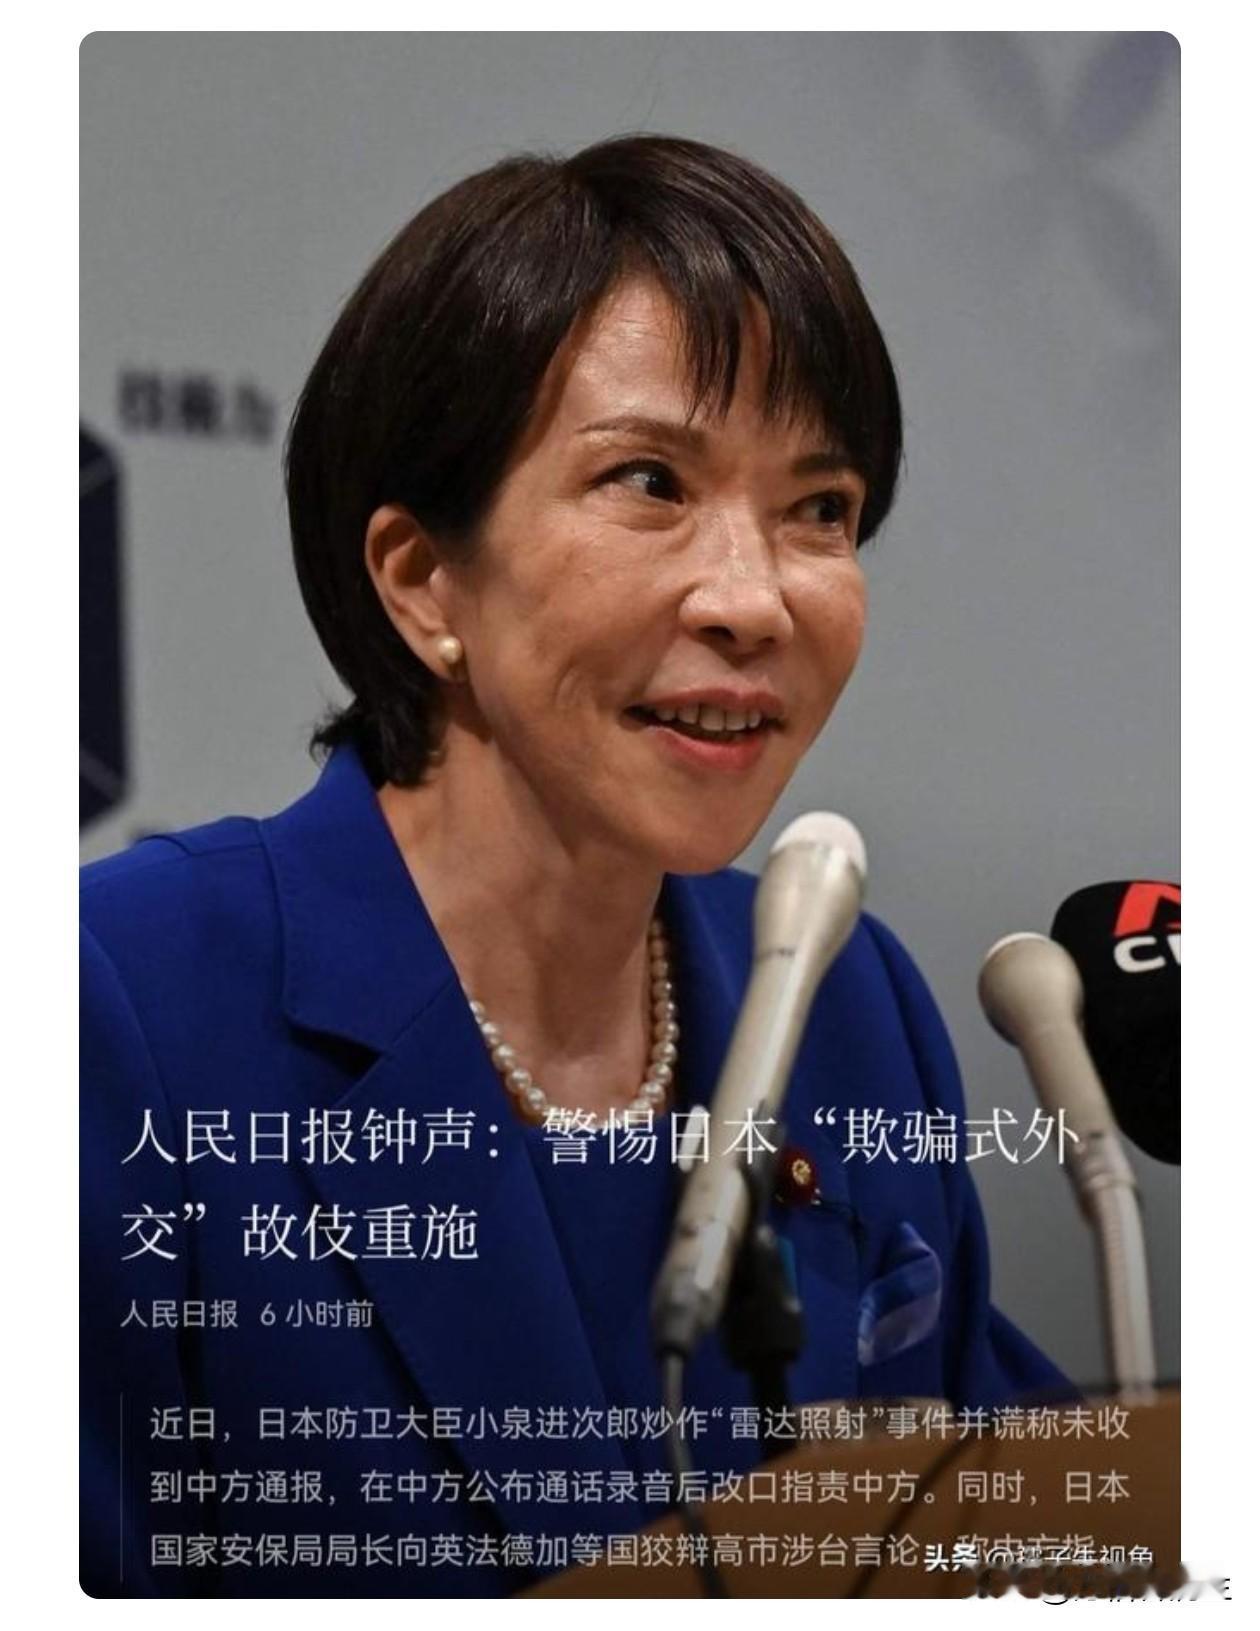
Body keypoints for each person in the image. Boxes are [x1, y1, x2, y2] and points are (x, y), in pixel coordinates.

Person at [81, 134, 1072, 1599]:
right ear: (424, 580)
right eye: (651, 482)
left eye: (820, 509)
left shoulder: (840, 998)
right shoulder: (122, 1004)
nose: (754, 599)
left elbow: (1019, 1527)